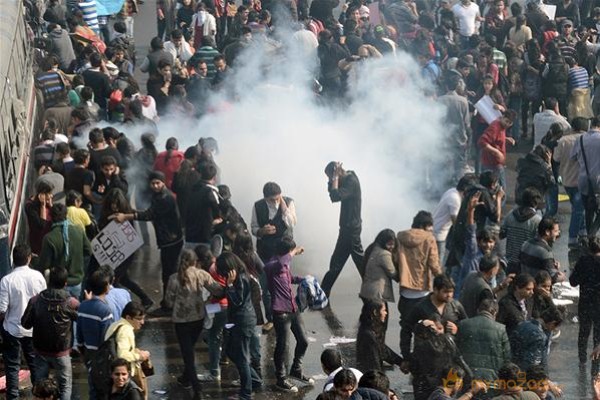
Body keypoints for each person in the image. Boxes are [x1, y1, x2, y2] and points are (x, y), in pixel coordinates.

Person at [109, 171, 184, 309]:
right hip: (168, 240)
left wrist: (126, 216)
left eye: (158, 183)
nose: (155, 186)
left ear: (163, 183)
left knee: (169, 275)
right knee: (167, 274)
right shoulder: (158, 196)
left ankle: (169, 305)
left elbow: (149, 214)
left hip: (171, 241)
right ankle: (167, 303)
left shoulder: (165, 198)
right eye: (153, 183)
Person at [164, 249, 225, 399]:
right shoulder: (201, 274)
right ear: (195, 261)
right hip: (198, 318)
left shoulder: (173, 278)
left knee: (188, 354)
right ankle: (185, 377)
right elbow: (218, 291)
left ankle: (197, 389)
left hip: (181, 321)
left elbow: (168, 302)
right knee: (189, 349)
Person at [21, 268, 79, 400]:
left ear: (48, 281)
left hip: (40, 352)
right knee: (65, 386)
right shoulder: (71, 302)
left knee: (39, 387)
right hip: (62, 353)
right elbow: (81, 319)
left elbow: (25, 323)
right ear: (65, 283)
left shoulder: (36, 300)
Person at [264, 237, 313, 392]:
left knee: (303, 340)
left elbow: (288, 277)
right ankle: (281, 378)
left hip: (292, 308)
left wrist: (303, 279)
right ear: (286, 251)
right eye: (290, 251)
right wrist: (294, 252)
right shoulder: (272, 264)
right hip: (280, 312)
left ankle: (296, 370)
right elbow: (281, 264)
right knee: (282, 345)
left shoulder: (283, 264)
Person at [0, 244, 47, 400]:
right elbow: (43, 302)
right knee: (35, 366)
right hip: (34, 330)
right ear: (28, 258)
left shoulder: (6, 280)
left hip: (12, 330)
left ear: (14, 259)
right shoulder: (39, 277)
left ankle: (12, 397)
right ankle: (40, 395)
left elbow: (2, 309)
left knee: (12, 367)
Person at [216, 252, 263, 399]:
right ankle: (254, 380)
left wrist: (229, 285)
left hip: (243, 321)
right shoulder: (239, 277)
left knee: (242, 358)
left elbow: (237, 301)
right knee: (230, 351)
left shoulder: (241, 279)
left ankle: (245, 394)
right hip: (236, 320)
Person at [400, 275, 467, 366]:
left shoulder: (456, 306)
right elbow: (406, 330)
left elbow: (467, 327)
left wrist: (457, 329)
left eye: (451, 292)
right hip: (426, 360)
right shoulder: (421, 307)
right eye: (445, 292)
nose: (449, 295)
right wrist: (406, 357)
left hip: (450, 358)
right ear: (435, 290)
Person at [321, 161, 364, 297]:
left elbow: (335, 196)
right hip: (347, 228)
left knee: (359, 262)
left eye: (330, 177)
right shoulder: (346, 179)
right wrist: (333, 179)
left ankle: (374, 291)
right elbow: (332, 192)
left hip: (351, 230)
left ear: (338, 173)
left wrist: (334, 178)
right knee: (337, 263)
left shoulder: (351, 182)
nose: (330, 181)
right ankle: (323, 292)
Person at [397, 211, 441, 334]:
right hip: (423, 291)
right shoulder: (429, 239)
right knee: (425, 326)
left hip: (405, 292)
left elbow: (395, 260)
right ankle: (420, 352)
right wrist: (443, 280)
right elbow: (434, 265)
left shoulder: (400, 237)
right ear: (424, 225)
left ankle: (405, 352)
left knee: (406, 326)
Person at [38, 203, 91, 299]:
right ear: (66, 215)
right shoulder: (79, 230)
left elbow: (44, 265)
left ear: (51, 217)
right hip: (76, 282)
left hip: (57, 284)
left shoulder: (49, 238)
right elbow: (88, 251)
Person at [77, 270, 114, 400]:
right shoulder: (105, 311)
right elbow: (106, 338)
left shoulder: (82, 306)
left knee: (93, 387)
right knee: (104, 391)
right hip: (102, 357)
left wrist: (82, 351)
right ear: (106, 287)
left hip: (88, 353)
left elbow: (79, 335)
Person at [456, 299, 510, 385]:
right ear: (495, 313)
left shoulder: (463, 324)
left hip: (467, 378)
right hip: (492, 380)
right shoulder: (501, 329)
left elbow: (456, 352)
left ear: (478, 310)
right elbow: (507, 357)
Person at [104, 302, 151, 398]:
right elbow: (122, 355)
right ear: (128, 317)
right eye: (139, 319)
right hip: (123, 375)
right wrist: (140, 356)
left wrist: (134, 350)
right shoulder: (126, 330)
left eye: (143, 318)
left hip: (111, 372)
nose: (142, 322)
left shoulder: (116, 324)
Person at [554, 117, 587, 246]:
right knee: (578, 209)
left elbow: (556, 159)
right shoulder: (587, 140)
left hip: (567, 180)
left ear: (572, 127)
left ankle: (582, 229)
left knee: (577, 206)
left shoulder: (563, 141)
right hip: (582, 181)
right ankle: (573, 237)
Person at [570, 236, 600, 375]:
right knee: (598, 335)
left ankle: (582, 359)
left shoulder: (582, 261)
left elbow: (573, 282)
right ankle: (596, 364)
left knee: (584, 332)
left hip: (585, 302)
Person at [359, 229, 399, 329]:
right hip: (377, 294)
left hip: (367, 291)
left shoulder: (372, 248)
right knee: (381, 321)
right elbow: (393, 273)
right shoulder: (384, 254)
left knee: (369, 320)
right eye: (389, 244)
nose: (392, 247)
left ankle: (366, 340)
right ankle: (377, 342)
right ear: (383, 241)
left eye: (393, 244)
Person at [432, 174, 476, 262]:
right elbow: (456, 222)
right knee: (438, 261)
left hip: (437, 228)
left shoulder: (452, 191)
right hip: (439, 234)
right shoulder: (455, 199)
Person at [251, 181, 297, 262]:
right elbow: (254, 228)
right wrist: (261, 231)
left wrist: (285, 210)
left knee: (282, 272)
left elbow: (292, 224)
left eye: (278, 199)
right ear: (265, 198)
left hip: (284, 249)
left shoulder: (289, 202)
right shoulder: (258, 206)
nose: (276, 202)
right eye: (272, 200)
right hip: (265, 250)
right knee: (265, 272)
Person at [501, 188, 543, 273]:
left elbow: (501, 234)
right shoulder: (537, 220)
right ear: (536, 203)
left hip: (510, 261)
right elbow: (539, 244)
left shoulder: (510, 215)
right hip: (527, 263)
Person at [570, 116, 600, 237]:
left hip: (584, 179)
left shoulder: (581, 138)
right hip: (599, 180)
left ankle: (589, 235)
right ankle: (592, 233)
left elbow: (572, 157)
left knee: (588, 210)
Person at [356, 300, 403, 372]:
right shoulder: (368, 336)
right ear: (375, 312)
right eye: (384, 310)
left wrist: (401, 362)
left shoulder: (369, 330)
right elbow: (374, 365)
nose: (386, 313)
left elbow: (383, 349)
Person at [185, 161, 222, 249]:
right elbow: (218, 213)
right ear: (214, 178)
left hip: (189, 235)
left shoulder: (192, 189)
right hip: (204, 237)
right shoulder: (210, 192)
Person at [519, 216, 566, 283]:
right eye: (555, 231)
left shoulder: (526, 243)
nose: (558, 234)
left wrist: (550, 263)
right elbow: (553, 278)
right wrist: (562, 276)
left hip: (525, 284)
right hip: (538, 288)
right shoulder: (546, 251)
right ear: (547, 232)